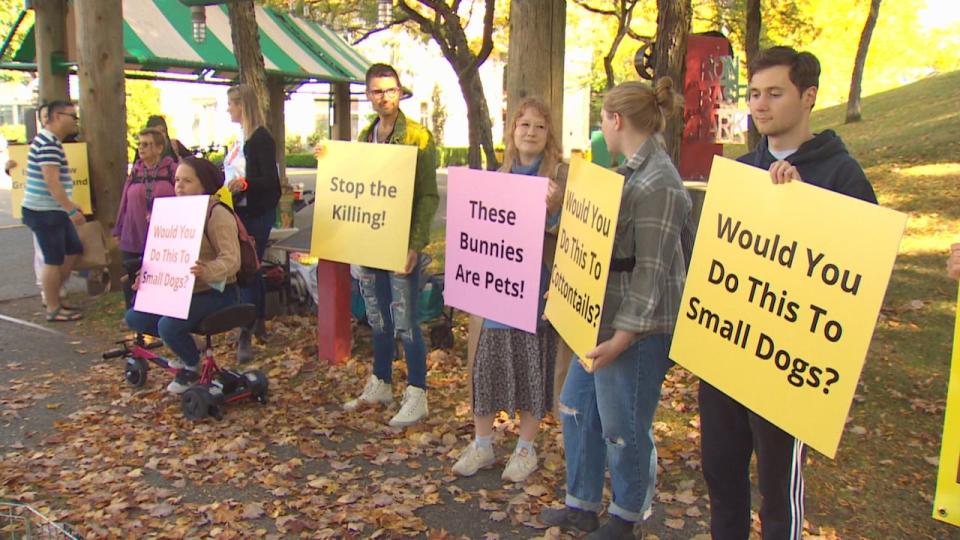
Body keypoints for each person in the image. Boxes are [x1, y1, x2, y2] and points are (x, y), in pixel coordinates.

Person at [699, 46, 877, 540]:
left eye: (775, 93)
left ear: (809, 97)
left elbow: (860, 277)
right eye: (754, 93)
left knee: (778, 494)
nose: (760, 104)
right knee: (720, 477)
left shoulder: (843, 175)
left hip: (786, 368)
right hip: (725, 355)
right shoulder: (739, 172)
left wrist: (805, 210)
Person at [542, 79, 692, 539]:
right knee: (575, 408)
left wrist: (623, 337)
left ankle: (628, 514)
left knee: (623, 426)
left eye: (602, 118)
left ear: (617, 120)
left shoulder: (659, 183)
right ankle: (581, 503)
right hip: (601, 318)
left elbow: (650, 272)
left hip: (638, 330)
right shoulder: (625, 171)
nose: (600, 126)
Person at [451, 97, 566, 482]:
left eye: (539, 126)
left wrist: (554, 208)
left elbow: (568, 237)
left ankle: (525, 448)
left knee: (532, 370)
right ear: (512, 132)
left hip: (535, 295)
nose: (530, 132)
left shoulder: (559, 181)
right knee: (485, 369)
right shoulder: (495, 178)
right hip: (495, 296)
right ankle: (483, 443)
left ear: (548, 135)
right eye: (524, 125)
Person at [338, 63, 439, 427]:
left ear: (401, 91)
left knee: (406, 320)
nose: (385, 97)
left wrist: (414, 245)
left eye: (391, 90)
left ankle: (417, 392)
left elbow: (428, 195)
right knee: (377, 317)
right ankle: (381, 380)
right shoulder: (366, 138)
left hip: (402, 242)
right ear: (368, 95)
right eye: (378, 91)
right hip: (371, 240)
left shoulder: (418, 137)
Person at [124, 157, 240, 394]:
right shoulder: (172, 212)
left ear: (204, 184)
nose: (179, 186)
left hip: (218, 291)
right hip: (180, 291)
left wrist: (206, 270)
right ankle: (191, 347)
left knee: (168, 325)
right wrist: (146, 277)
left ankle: (191, 366)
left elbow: (232, 260)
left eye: (187, 181)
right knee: (135, 318)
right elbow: (163, 255)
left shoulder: (216, 214)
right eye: (177, 180)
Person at [225, 84, 280, 362]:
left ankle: (246, 330)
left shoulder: (261, 140)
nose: (228, 110)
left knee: (246, 268)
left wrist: (245, 183)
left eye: (231, 105)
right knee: (251, 269)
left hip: (257, 212)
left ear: (242, 106)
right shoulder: (242, 140)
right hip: (243, 211)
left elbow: (270, 180)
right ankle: (256, 320)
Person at [20, 100, 86, 322]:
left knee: (73, 249)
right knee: (53, 259)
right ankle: (53, 307)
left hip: (52, 209)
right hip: (45, 211)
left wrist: (68, 204)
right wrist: (70, 209)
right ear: (58, 117)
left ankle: (54, 296)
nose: (75, 121)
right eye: (72, 116)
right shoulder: (48, 143)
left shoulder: (51, 142)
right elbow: (52, 181)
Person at [113, 128, 178, 308]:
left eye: (146, 144)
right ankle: (134, 317)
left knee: (160, 276)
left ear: (159, 148)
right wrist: (118, 228)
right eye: (139, 144)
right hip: (134, 232)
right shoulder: (135, 172)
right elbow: (124, 201)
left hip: (164, 235)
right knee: (133, 276)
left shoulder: (172, 170)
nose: (141, 148)